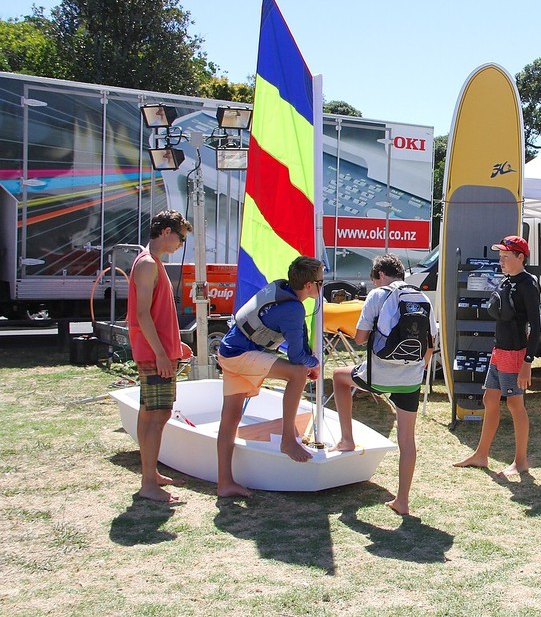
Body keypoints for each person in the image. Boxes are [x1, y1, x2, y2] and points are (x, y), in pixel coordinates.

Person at [332, 254, 436, 515]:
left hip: (379, 375)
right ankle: (402, 501)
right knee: (407, 440)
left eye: (373, 279)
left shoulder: (378, 296)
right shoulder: (421, 298)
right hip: (411, 379)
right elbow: (430, 345)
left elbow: (359, 339)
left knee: (338, 376)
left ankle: (346, 440)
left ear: (379, 275)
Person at [215, 256, 323, 497]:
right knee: (297, 373)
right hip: (239, 355)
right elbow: (296, 358)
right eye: (321, 282)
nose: (321, 286)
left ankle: (225, 483)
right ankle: (287, 440)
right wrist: (313, 364)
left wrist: (308, 361)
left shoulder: (283, 291)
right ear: (308, 286)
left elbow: (298, 344)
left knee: (230, 418)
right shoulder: (294, 308)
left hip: (228, 350)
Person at [454, 235, 541, 477]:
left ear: (520, 257)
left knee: (515, 404)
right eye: (500, 256)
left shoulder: (528, 284)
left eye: (505, 257)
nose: (500, 261)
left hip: (515, 353)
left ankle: (521, 462)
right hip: (499, 351)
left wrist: (527, 362)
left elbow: (536, 327)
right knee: (489, 400)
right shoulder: (506, 281)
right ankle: (481, 455)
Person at [126, 209, 193, 502]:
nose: (180, 244)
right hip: (155, 355)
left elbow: (156, 314)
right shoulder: (147, 264)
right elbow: (142, 315)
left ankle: (150, 476)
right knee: (158, 415)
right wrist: (162, 355)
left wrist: (175, 346)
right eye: (180, 237)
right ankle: (148, 484)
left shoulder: (152, 263)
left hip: (159, 351)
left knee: (149, 413)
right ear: (166, 232)